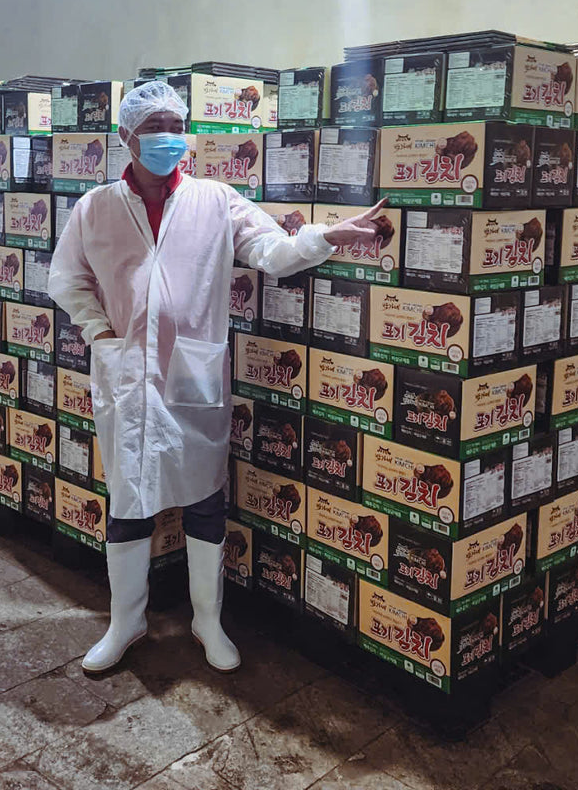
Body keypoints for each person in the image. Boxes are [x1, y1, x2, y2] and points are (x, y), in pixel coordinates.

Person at [48, 80, 387, 674]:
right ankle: (126, 621)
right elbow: (66, 279)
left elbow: (272, 251)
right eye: (153, 128)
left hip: (194, 375)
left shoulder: (214, 200)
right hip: (127, 374)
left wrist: (323, 237)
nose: (167, 138)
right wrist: (99, 333)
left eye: (174, 127)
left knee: (205, 497)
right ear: (126, 136)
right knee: (128, 500)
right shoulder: (95, 207)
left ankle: (207, 620)